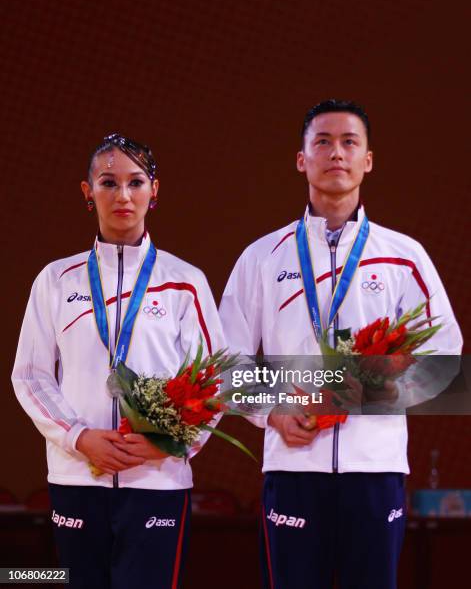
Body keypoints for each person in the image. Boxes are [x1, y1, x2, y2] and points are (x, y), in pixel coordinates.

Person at [219, 100, 463, 589]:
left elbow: (446, 361)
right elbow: (226, 364)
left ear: (368, 160)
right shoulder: (261, 258)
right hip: (293, 467)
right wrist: (274, 412)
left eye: (350, 142)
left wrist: (363, 393)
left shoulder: (404, 256)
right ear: (301, 158)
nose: (337, 153)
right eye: (323, 142)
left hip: (375, 470)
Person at [12, 133, 225, 589]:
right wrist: (78, 436)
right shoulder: (55, 280)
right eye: (109, 182)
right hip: (76, 478)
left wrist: (165, 444)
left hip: (158, 481)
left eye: (135, 182)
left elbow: (214, 381)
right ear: (88, 192)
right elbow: (30, 376)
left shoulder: (184, 282)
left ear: (155, 190)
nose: (123, 195)